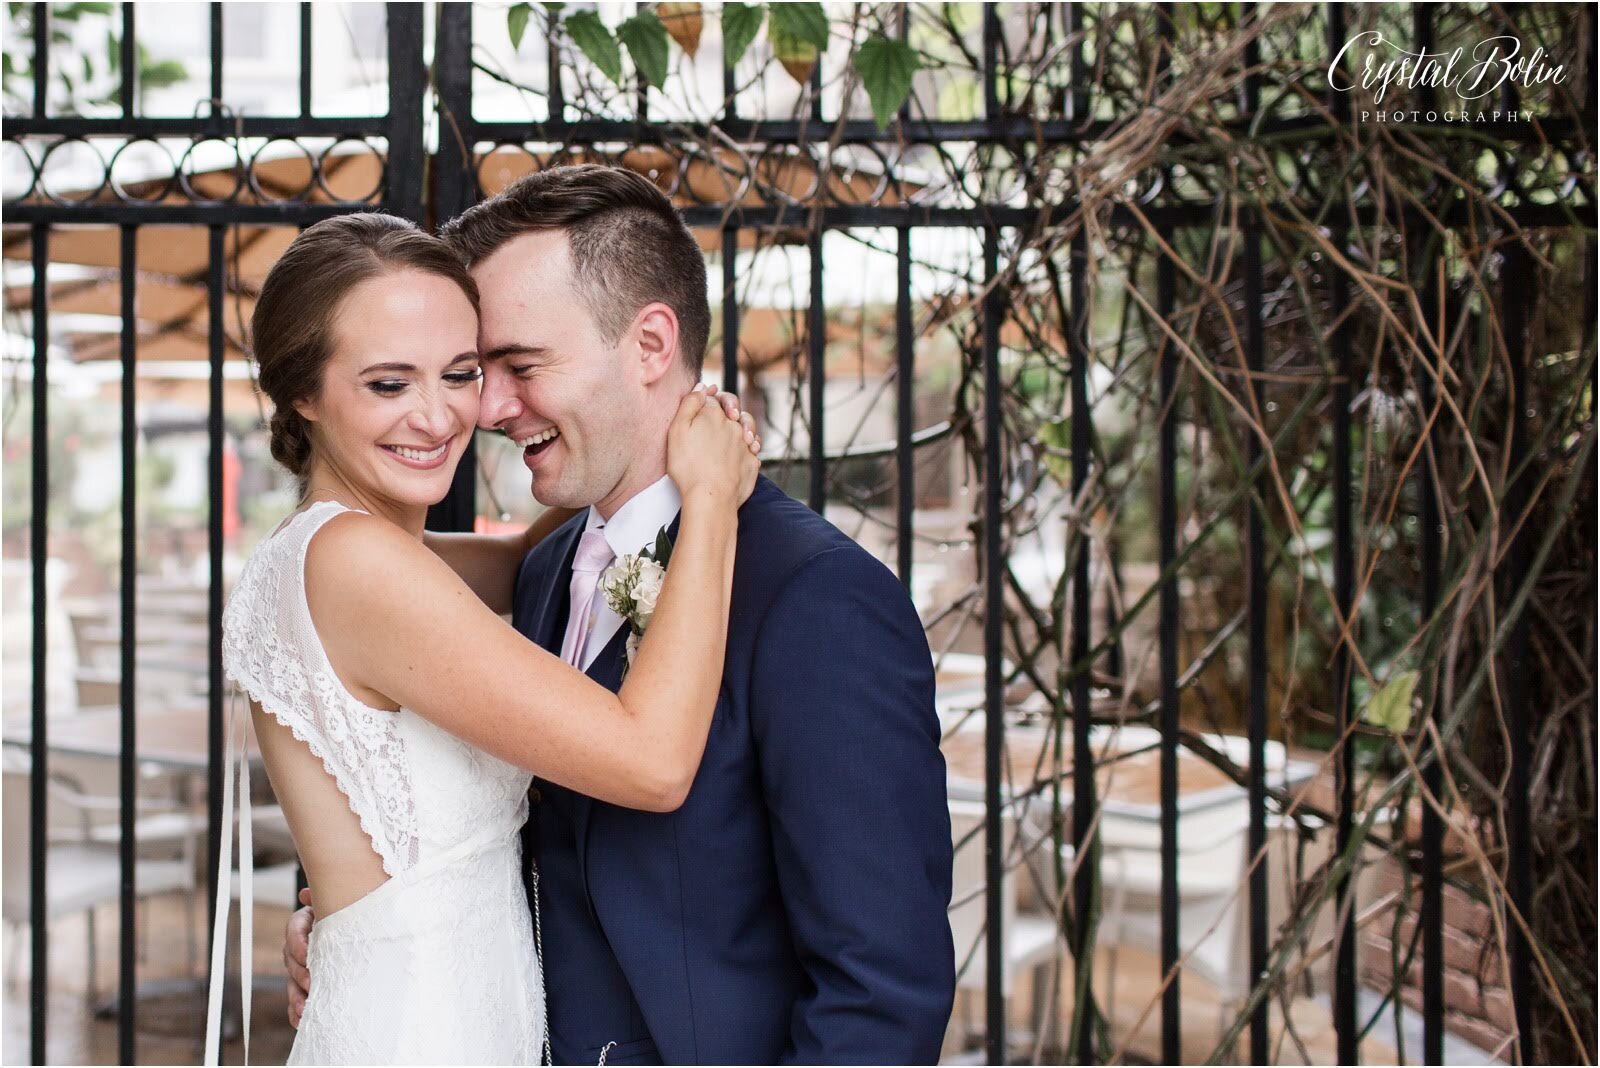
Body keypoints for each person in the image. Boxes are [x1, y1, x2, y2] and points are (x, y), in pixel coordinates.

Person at [286, 165, 957, 1064]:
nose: (486, 407)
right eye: (482, 372)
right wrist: (355, 919)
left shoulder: (817, 601)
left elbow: (881, 991)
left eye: (520, 365)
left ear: (648, 345)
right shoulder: (543, 567)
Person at [212, 211, 759, 1065]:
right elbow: (651, 761)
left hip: (404, 1000)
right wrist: (714, 499)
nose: (440, 418)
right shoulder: (360, 564)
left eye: (461, 373)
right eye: (389, 384)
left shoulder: (328, 550)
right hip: (425, 1033)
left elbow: (522, 553)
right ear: (304, 392)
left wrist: (616, 437)